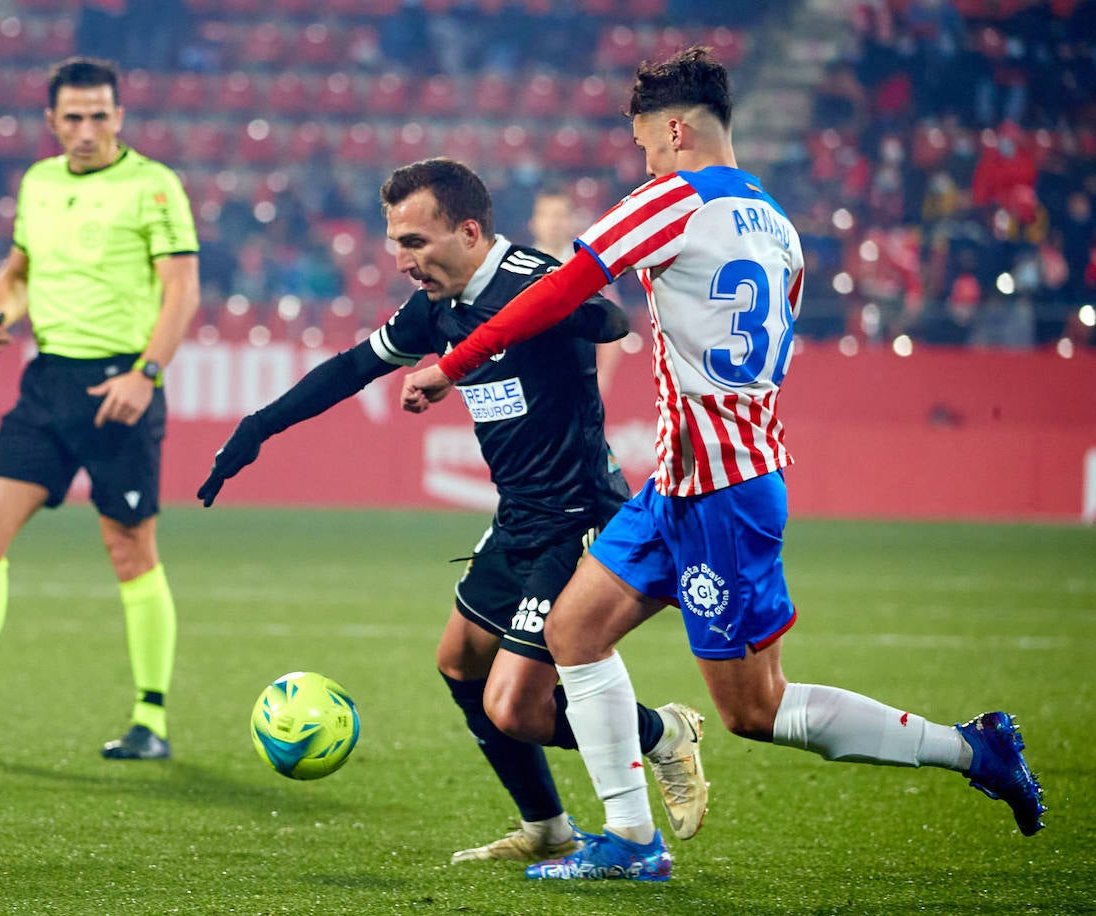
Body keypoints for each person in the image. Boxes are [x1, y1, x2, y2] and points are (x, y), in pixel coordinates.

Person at [402, 48, 1044, 881]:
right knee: (573, 631)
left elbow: (561, 291)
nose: (643, 161)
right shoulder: (778, 224)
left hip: (724, 496)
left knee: (754, 708)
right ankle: (631, 843)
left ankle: (973, 749)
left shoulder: (669, 200)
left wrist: (451, 365)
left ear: (675, 130)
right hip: (682, 482)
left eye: (644, 144)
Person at [197, 158, 709, 862]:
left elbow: (609, 319)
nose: (401, 259)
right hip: (519, 518)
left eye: (415, 242)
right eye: (395, 242)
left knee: (517, 707)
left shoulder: (530, 282)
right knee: (460, 664)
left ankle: (663, 736)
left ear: (469, 231)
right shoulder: (439, 306)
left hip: (579, 515)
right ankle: (547, 829)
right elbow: (354, 367)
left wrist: (581, 307)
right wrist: (260, 425)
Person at [0, 57, 202, 761]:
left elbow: (181, 292)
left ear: (120, 117)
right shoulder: (40, 183)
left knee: (129, 549)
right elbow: (20, 271)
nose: (87, 130)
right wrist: (1, 310)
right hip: (46, 385)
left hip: (120, 387)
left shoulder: (154, 187)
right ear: (51, 123)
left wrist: (146, 374)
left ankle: (152, 721)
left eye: (100, 115)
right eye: (73, 117)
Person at [527, 186, 626, 396]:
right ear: (533, 222)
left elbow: (613, 325)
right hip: (530, 382)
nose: (554, 222)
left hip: (578, 381)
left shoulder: (591, 269)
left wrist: (603, 375)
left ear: (572, 220)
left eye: (560, 215)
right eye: (546, 215)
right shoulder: (517, 268)